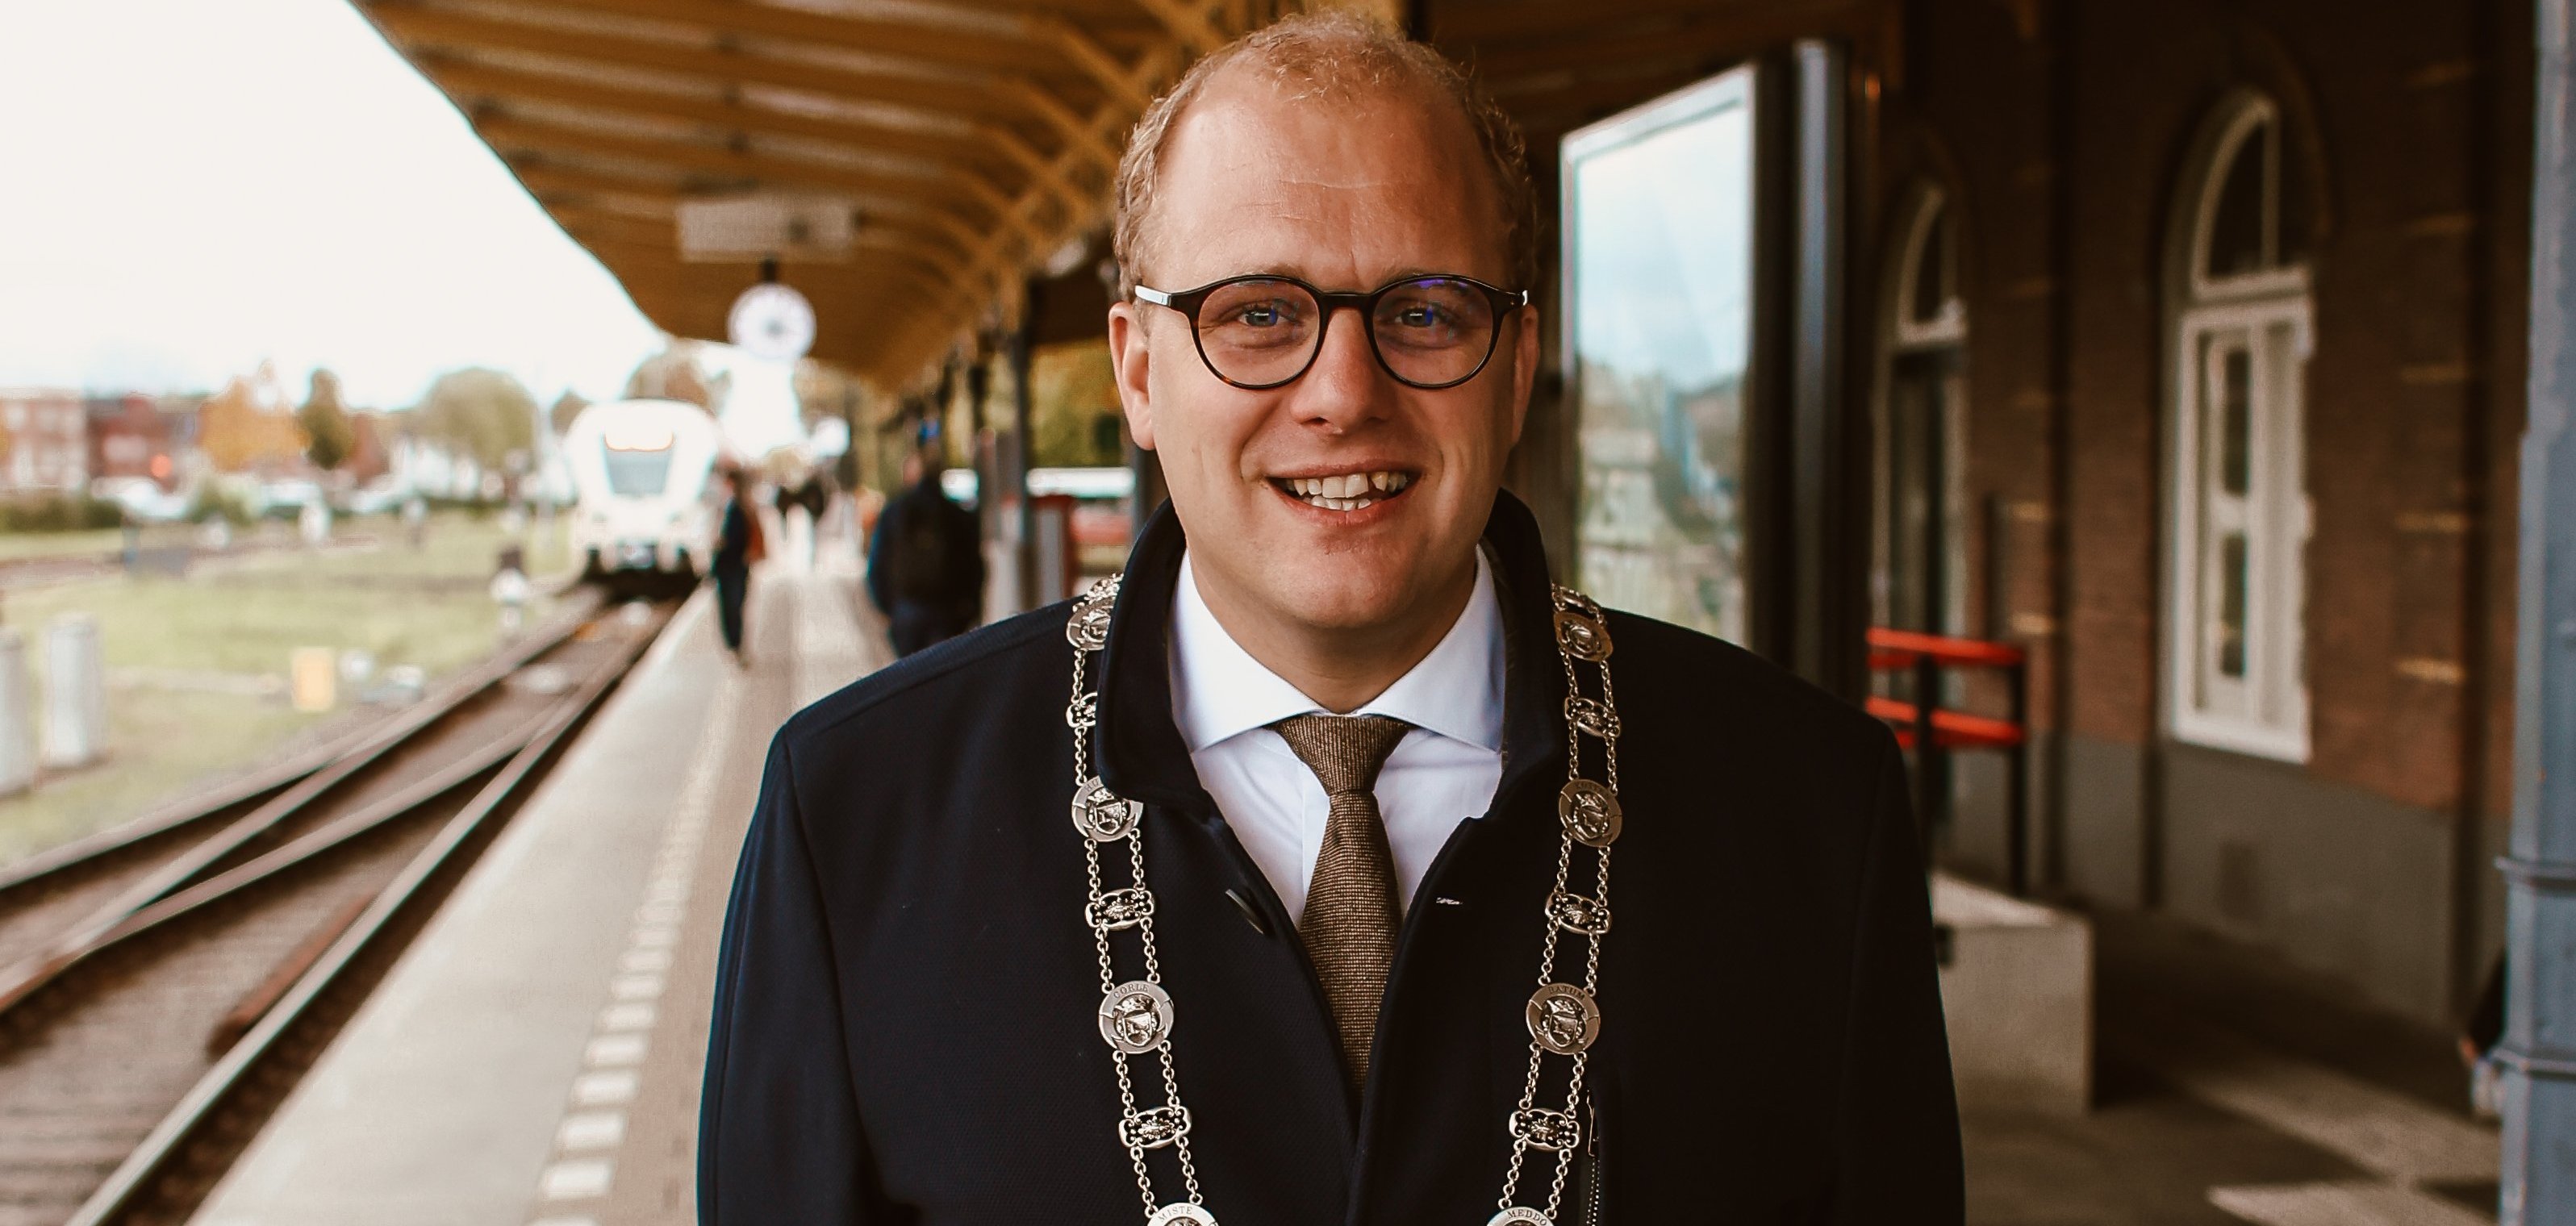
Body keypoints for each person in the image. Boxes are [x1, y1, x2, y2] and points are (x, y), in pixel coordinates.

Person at [703, 14, 1961, 1225]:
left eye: (1423, 311)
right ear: (1139, 371)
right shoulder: (855, 818)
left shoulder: (1810, 815)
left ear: (1516, 365)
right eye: (1257, 313)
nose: (1343, 395)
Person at [864, 443, 986, 656]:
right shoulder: (958, 514)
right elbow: (976, 566)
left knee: (912, 680)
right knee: (946, 678)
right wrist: (968, 611)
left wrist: (889, 610)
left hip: (906, 611)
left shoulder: (894, 513)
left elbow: (876, 565)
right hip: (948, 612)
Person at [711, 465, 761, 663]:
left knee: (732, 606)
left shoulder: (735, 508)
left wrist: (720, 543)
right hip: (734, 566)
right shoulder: (737, 506)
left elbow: (732, 539)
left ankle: (735, 644)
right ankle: (735, 645)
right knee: (734, 606)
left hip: (732, 566)